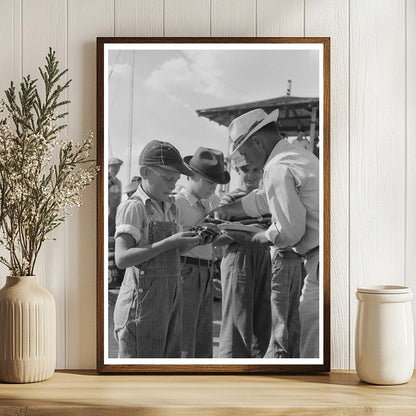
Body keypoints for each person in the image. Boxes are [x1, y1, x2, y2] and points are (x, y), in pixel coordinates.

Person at [213, 108, 320, 359]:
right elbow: (267, 197)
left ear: (257, 143)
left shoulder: (276, 166)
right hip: (320, 259)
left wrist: (251, 236)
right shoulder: (298, 156)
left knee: (312, 347)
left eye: (245, 153)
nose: (248, 161)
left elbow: (289, 233)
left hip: (319, 260)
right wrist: (231, 208)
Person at [113, 140, 201, 358]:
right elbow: (122, 258)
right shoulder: (134, 207)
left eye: (176, 180)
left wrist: (189, 242)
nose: (172, 186)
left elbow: (168, 255)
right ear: (145, 172)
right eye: (167, 178)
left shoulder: (169, 207)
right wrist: (170, 243)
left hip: (169, 302)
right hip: (141, 307)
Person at [175, 147, 230, 358]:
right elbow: (175, 241)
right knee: (185, 336)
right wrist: (201, 229)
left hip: (206, 271)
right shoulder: (177, 203)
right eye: (209, 182)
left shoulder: (213, 202)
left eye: (216, 184)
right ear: (192, 176)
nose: (213, 188)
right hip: (186, 270)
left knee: (203, 336)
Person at [217, 162, 272, 358]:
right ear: (238, 171)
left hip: (264, 256)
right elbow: (218, 235)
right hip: (238, 256)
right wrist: (247, 231)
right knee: (236, 320)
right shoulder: (230, 198)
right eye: (245, 170)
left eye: (255, 169)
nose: (250, 175)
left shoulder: (267, 197)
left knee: (263, 320)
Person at [108, 157, 123, 236]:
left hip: (115, 213)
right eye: (114, 167)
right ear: (108, 167)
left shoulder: (118, 182)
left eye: (118, 167)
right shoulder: (105, 178)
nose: (117, 169)